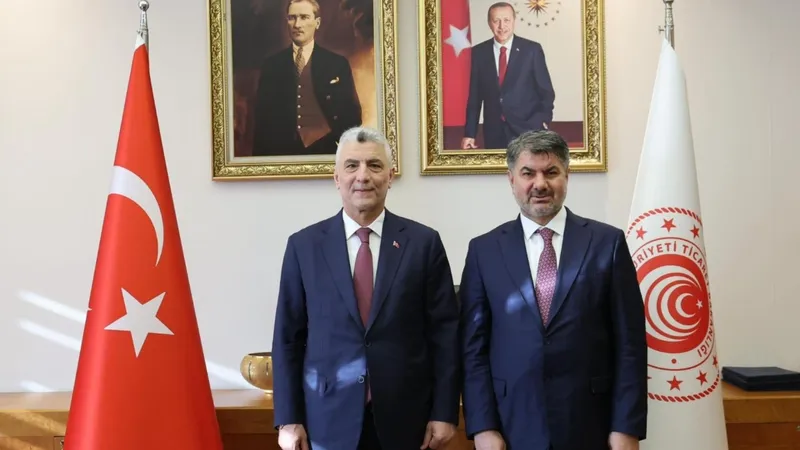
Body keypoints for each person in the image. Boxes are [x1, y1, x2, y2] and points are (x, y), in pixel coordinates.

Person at [272, 126, 461, 450]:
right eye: (351, 166)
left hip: (408, 422)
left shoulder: (423, 244)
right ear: (336, 178)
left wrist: (445, 412)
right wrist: (288, 418)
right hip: (327, 421)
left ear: (390, 176)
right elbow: (288, 339)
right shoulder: (303, 247)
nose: (363, 176)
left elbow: (445, 336)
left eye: (374, 165)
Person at [459, 130, 647, 449]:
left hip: (591, 422)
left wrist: (625, 427)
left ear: (567, 176)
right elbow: (472, 348)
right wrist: (482, 427)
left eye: (551, 172)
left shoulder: (607, 244)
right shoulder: (484, 251)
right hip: (511, 424)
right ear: (511, 180)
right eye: (528, 173)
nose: (540, 184)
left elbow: (630, 344)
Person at [252, 0, 362, 157]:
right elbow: (262, 120)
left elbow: (352, 114)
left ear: (317, 23)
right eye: (292, 18)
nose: (297, 24)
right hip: (281, 152)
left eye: (304, 17)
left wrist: (341, 148)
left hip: (325, 149)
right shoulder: (271, 65)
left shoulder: (337, 64)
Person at [461, 2, 556, 150]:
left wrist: (542, 121)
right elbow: (475, 97)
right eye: (496, 21)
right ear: (489, 23)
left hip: (529, 130)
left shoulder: (531, 50)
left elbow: (546, 91)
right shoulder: (479, 52)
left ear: (514, 21)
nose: (502, 26)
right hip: (494, 132)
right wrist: (470, 133)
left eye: (506, 20)